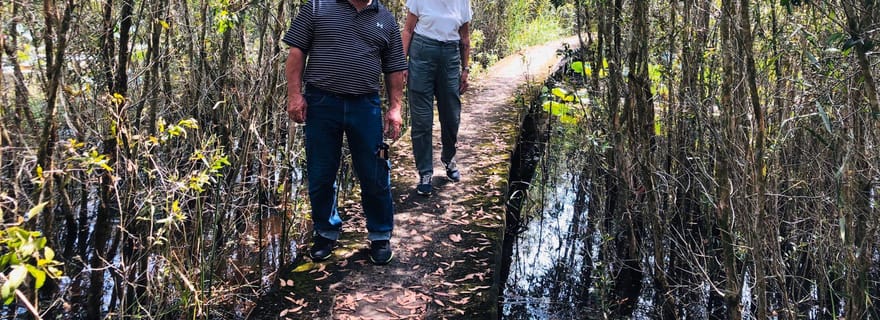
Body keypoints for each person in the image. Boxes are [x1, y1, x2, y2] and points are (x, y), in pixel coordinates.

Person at [283, 0, 406, 265]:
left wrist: (395, 108)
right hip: (321, 102)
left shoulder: (386, 18)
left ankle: (380, 235)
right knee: (321, 171)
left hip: (366, 106)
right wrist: (295, 95)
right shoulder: (317, 6)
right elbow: (296, 52)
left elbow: (395, 67)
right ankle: (326, 232)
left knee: (376, 170)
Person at [402, 0, 472, 196]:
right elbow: (408, 30)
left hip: (450, 56)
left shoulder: (462, 2)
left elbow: (464, 37)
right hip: (422, 53)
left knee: (451, 116)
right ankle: (425, 173)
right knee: (422, 120)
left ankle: (449, 158)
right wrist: (401, 64)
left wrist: (465, 69)